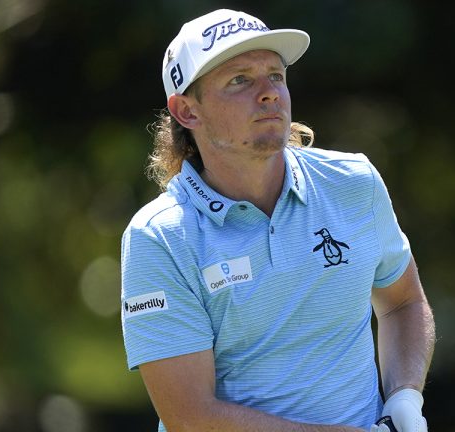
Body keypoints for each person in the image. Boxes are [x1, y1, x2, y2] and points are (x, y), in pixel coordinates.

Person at [120, 8, 435, 432]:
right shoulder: (159, 237)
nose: (269, 93)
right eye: (240, 80)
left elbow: (403, 302)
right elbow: (190, 416)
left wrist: (404, 397)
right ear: (187, 111)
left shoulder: (353, 182)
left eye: (275, 75)